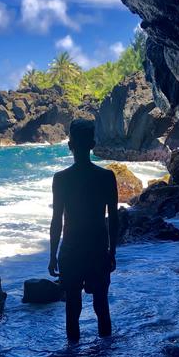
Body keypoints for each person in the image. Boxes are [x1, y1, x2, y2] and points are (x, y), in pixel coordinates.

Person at [48, 118, 119, 341]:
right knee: (101, 308)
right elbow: (114, 218)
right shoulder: (106, 177)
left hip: (71, 250)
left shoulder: (61, 179)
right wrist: (112, 252)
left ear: (70, 145)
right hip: (98, 248)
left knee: (72, 310)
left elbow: (56, 220)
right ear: (93, 144)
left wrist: (52, 256)